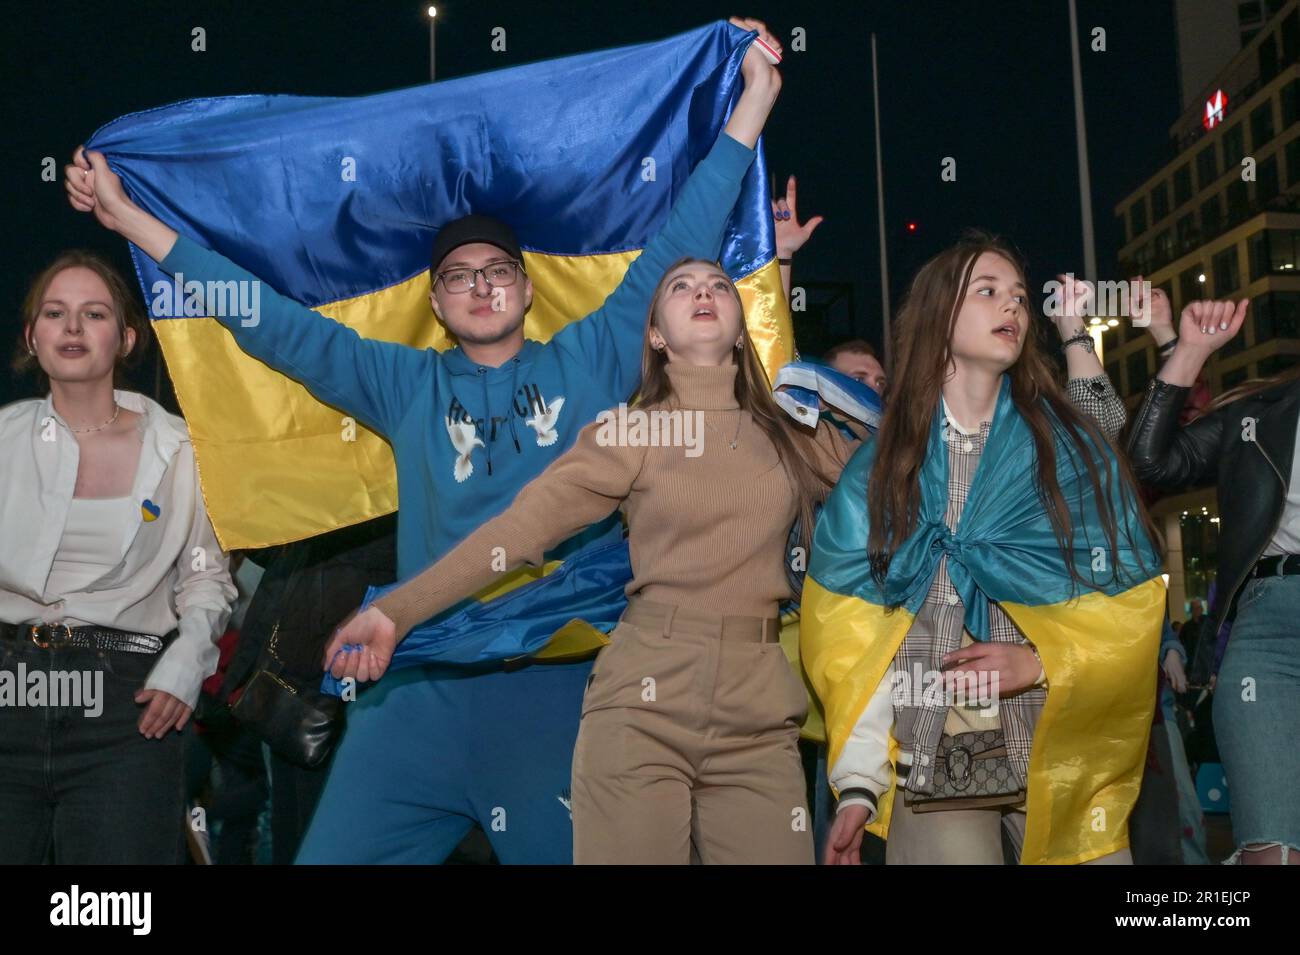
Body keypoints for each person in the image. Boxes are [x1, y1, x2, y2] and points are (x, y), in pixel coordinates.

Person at [66, 18, 785, 864]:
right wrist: (136, 222)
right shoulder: (406, 385)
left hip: (553, 691)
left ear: (526, 289)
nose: (481, 285)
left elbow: (683, 238)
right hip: (410, 691)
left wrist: (755, 102)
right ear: (437, 304)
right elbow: (271, 322)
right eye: (459, 276)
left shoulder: (591, 359)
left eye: (498, 271)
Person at [327, 256, 857, 863]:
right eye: (680, 287)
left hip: (761, 711)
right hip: (643, 704)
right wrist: (397, 612)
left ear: (741, 327)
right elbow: (519, 530)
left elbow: (904, 484)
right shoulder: (628, 432)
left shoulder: (798, 436)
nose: (701, 292)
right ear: (655, 334)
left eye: (717, 286)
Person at [804, 233, 1164, 865]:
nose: (1014, 309)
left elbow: (1126, 602)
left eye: (1021, 298)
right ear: (941, 316)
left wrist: (1042, 662)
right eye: (989, 292)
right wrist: (859, 784)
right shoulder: (882, 472)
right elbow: (852, 632)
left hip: (1058, 747)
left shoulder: (1070, 452)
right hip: (935, 753)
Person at [0, 251, 236, 863]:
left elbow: (207, 578)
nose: (72, 328)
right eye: (55, 313)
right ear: (33, 335)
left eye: (94, 313)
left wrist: (190, 658)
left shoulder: (182, 448)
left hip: (128, 711)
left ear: (126, 337)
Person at [1126, 293, 1300, 865]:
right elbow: (1150, 464)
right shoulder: (1262, 414)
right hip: (1269, 635)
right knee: (1272, 850)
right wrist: (1189, 353)